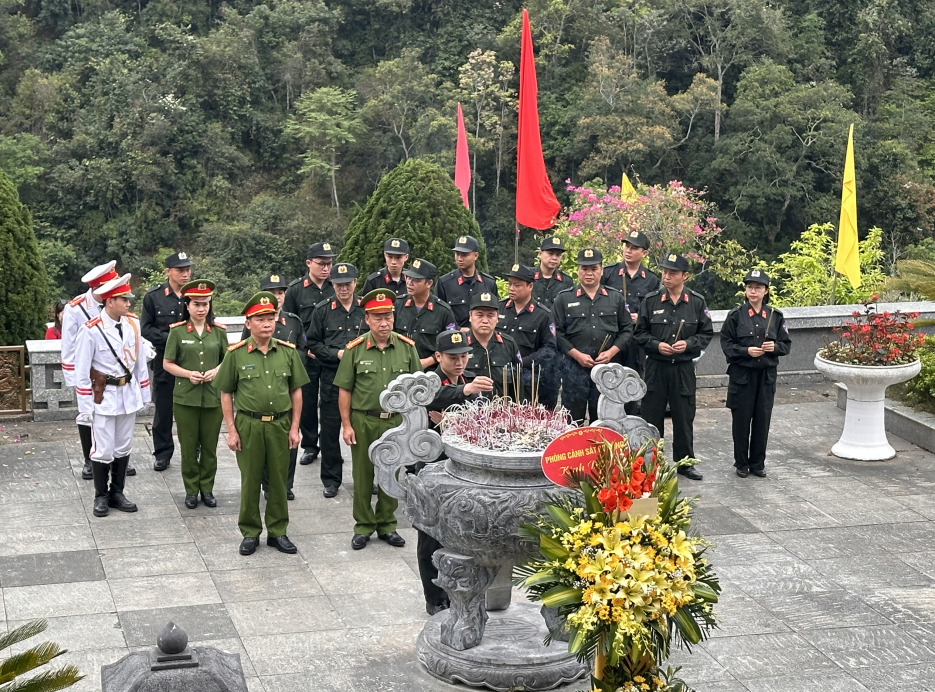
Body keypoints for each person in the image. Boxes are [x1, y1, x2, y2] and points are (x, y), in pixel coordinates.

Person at [217, 292, 309, 556]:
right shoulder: (236, 354)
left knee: (279, 481)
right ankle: (250, 532)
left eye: (270, 318)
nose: (267, 323)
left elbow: (296, 391)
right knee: (250, 480)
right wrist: (231, 430)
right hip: (249, 425)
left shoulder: (288, 352)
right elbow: (226, 392)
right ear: (248, 323)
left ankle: (278, 531)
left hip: (280, 424)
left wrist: (295, 427)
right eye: (260, 319)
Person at [334, 289, 421, 550]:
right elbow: (345, 389)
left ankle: (387, 524)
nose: (384, 323)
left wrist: (413, 425)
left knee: (391, 473)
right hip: (364, 420)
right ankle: (363, 525)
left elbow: (417, 389)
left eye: (388, 316)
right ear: (367, 319)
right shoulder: (355, 349)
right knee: (362, 475)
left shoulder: (407, 348)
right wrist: (346, 425)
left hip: (395, 422)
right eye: (377, 317)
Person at [418, 329, 494, 615]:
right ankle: (434, 597)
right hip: (434, 469)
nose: (459, 362)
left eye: (463, 356)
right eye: (453, 358)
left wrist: (452, 418)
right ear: (438, 356)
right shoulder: (430, 381)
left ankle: (460, 592)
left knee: (465, 534)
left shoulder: (471, 380)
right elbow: (430, 398)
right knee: (431, 535)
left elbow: (482, 417)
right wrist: (464, 392)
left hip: (465, 471)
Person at [73, 273, 150, 518]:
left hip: (127, 393)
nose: (128, 304)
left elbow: (139, 362)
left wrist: (144, 393)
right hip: (104, 396)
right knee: (103, 448)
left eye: (128, 299)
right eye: (123, 299)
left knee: (123, 446)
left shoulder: (132, 325)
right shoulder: (91, 330)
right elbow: (81, 370)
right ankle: (100, 495)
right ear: (109, 301)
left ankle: (117, 492)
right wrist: (86, 405)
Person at [633, 252, 713, 481]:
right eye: (665, 272)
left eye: (673, 273)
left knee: (683, 417)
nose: (666, 276)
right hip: (656, 367)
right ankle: (651, 463)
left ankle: (685, 463)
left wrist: (688, 344)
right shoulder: (651, 300)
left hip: (683, 368)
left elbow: (706, 333)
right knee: (651, 417)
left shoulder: (696, 302)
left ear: (684, 276)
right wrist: (657, 345)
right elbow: (639, 333)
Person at [719, 270, 792, 478]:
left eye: (758, 288)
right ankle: (741, 463)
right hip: (742, 377)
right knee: (741, 421)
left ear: (765, 291)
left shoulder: (775, 316)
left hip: (766, 377)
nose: (753, 291)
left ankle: (758, 463)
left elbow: (786, 345)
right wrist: (746, 351)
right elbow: (726, 344)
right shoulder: (735, 316)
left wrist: (774, 347)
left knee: (762, 419)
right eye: (750, 287)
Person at [163, 280, 227, 509]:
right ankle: (191, 489)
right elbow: (167, 363)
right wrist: (188, 374)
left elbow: (228, 360)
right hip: (186, 398)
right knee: (189, 447)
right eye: (196, 304)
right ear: (187, 305)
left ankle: (207, 488)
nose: (201, 309)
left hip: (212, 397)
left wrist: (216, 371)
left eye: (205, 304)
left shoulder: (218, 332)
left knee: (210, 446)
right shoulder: (177, 331)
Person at [242, 274, 306, 500]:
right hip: (262, 385)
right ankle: (267, 485)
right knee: (263, 444)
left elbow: (303, 350)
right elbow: (245, 349)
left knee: (291, 437)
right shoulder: (254, 321)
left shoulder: (293, 321)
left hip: (288, 385)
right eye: (272, 293)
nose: (277, 297)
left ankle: (286, 484)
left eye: (280, 292)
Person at [61, 260, 125, 481]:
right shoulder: (75, 308)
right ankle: (90, 460)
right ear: (98, 288)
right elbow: (69, 347)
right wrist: (76, 380)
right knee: (87, 416)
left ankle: (116, 458)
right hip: (88, 373)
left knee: (116, 413)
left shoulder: (117, 303)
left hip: (113, 371)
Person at [552, 249, 633, 424]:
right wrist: (577, 355)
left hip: (607, 371)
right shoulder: (564, 298)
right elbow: (556, 332)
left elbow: (627, 330)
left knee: (605, 422)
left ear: (601, 270)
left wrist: (611, 352)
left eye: (594, 269)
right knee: (572, 423)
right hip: (574, 370)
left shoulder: (615, 298)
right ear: (578, 270)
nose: (589, 273)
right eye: (584, 269)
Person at [306, 263, 365, 499]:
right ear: (332, 284)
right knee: (330, 431)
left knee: (363, 430)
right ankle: (331, 479)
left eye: (348, 284)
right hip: (332, 377)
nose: (343, 288)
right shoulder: (322, 310)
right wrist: (335, 354)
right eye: (339, 284)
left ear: (355, 282)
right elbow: (313, 343)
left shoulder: (366, 308)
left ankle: (365, 477)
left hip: (362, 379)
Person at [283, 242, 336, 467]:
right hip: (307, 356)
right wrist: (304, 350)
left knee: (330, 402)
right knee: (306, 401)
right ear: (308, 263)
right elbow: (290, 324)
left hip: (332, 354)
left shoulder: (336, 286)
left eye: (329, 264)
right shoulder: (296, 290)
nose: (326, 268)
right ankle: (310, 445)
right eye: (321, 263)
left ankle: (329, 445)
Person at [141, 251, 193, 471]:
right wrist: (173, 340)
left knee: (192, 410)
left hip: (192, 360)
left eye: (188, 269)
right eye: (180, 270)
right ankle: (162, 453)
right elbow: (146, 329)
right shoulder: (154, 296)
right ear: (168, 271)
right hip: (165, 361)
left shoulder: (196, 295)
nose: (185, 274)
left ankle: (194, 449)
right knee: (163, 410)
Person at [601, 231, 660, 413]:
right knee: (609, 379)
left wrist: (639, 317)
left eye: (634, 248)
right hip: (612, 336)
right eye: (627, 246)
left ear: (644, 253)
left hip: (636, 338)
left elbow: (655, 310)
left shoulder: (651, 279)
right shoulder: (609, 274)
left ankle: (630, 418)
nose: (628, 251)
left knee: (632, 379)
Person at [497, 264, 559, 408]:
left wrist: (521, 362)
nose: (511, 288)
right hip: (500, 376)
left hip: (527, 379)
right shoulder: (499, 308)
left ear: (530, 286)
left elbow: (549, 349)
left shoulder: (542, 314)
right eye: (510, 284)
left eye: (517, 285)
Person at [394, 258, 457, 370]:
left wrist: (428, 361)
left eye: (416, 280)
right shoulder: (398, 305)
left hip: (431, 371)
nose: (409, 282)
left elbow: (451, 344)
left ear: (429, 283)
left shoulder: (443, 311)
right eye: (408, 277)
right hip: (400, 368)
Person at [465, 292, 522, 398]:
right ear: (470, 316)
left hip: (502, 407)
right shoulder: (460, 345)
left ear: (497, 318)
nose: (485, 321)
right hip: (468, 407)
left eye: (490, 315)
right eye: (479, 315)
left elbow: (517, 384)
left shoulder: (508, 344)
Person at [436, 235, 498, 327]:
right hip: (454, 334)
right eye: (457, 254)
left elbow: (494, 313)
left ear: (476, 255)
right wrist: (458, 329)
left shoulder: (488, 283)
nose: (460, 259)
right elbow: (438, 315)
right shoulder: (445, 283)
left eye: (465, 255)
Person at [532, 235, 572, 310]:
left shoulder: (566, 281)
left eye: (558, 255)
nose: (554, 258)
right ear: (540, 254)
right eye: (550, 253)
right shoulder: (528, 276)